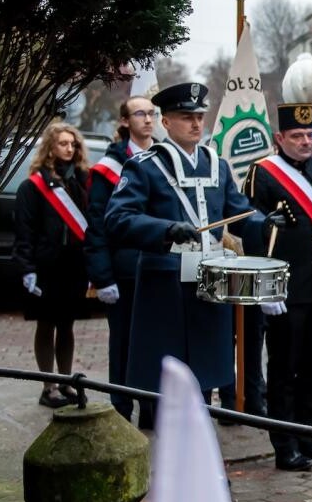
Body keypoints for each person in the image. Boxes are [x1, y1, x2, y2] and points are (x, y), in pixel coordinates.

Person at [104, 82, 286, 398]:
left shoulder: (217, 165)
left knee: (205, 376)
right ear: (166, 122)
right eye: (186, 117)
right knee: (165, 380)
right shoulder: (145, 166)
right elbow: (117, 219)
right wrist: (164, 229)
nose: (196, 124)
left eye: (199, 117)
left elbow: (240, 213)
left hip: (209, 286)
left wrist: (262, 222)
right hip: (165, 287)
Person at [244, 78, 312, 471]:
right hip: (286, 291)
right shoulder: (264, 174)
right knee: (284, 370)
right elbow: (248, 230)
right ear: (279, 137)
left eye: (311, 134)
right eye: (298, 135)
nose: (307, 142)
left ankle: (310, 439)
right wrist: (265, 287)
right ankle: (284, 444)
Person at [84, 96, 157, 427]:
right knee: (124, 345)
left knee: (155, 342)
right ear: (126, 121)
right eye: (140, 113)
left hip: (157, 269)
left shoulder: (162, 158)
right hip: (124, 272)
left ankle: (152, 408)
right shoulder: (109, 167)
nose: (148, 119)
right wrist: (102, 277)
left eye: (151, 113)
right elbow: (96, 225)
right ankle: (122, 409)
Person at [14, 122, 91, 408]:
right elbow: (25, 231)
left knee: (67, 325)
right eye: (62, 143)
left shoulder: (81, 181)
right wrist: (27, 268)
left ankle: (67, 380)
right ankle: (48, 387)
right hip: (46, 267)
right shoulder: (32, 187)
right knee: (46, 325)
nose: (69, 148)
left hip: (74, 266)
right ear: (50, 147)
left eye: (72, 143)